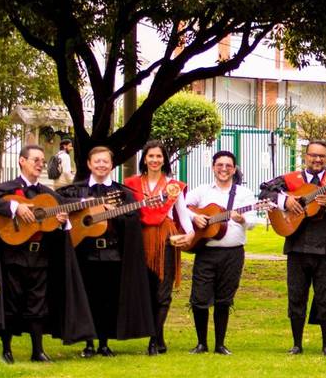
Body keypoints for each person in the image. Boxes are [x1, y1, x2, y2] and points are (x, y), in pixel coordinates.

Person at [0, 144, 93, 363]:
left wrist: (65, 218)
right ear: (22, 161)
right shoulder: (7, 188)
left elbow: (63, 207)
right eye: (35, 160)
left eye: (42, 160)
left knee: (38, 302)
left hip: (40, 256)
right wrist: (15, 208)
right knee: (11, 301)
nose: (40, 164)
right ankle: (7, 349)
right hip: (13, 254)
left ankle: (37, 351)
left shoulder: (46, 194)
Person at [259, 140, 326, 356]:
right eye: (313, 155)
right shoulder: (291, 179)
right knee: (296, 296)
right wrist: (285, 202)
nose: (317, 159)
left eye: (322, 156)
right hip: (297, 246)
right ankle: (297, 343)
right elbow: (264, 193)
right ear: (306, 156)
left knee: (325, 297)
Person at [59, 146, 154, 357]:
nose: (101, 165)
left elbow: (133, 221)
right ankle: (88, 344)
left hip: (113, 254)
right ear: (89, 164)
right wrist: (86, 205)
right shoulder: (77, 191)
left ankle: (104, 342)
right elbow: (57, 203)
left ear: (112, 165)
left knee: (108, 300)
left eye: (105, 162)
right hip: (84, 253)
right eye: (97, 161)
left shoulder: (123, 194)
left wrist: (115, 215)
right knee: (87, 298)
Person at [124, 140, 194, 356]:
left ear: (164, 160)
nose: (155, 160)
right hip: (141, 239)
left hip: (165, 238)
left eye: (159, 156)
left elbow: (182, 212)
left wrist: (190, 232)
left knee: (163, 290)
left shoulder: (174, 185)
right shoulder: (131, 183)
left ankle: (154, 340)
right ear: (144, 158)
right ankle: (159, 336)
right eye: (151, 156)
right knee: (146, 289)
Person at [186, 150, 258, 355]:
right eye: (220, 165)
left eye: (228, 165)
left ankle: (220, 344)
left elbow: (253, 220)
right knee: (199, 299)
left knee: (224, 299)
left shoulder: (243, 194)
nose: (224, 169)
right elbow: (183, 207)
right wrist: (195, 218)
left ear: (234, 169)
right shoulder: (202, 191)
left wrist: (242, 219)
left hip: (232, 253)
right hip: (206, 252)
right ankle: (201, 343)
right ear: (213, 167)